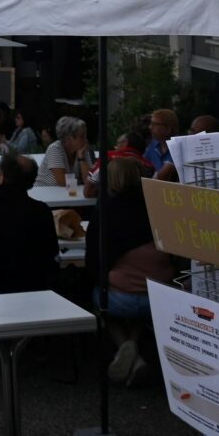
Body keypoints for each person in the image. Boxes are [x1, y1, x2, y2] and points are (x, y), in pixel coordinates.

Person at [86, 156, 176, 388]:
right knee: (140, 306)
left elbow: (93, 263)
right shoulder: (159, 208)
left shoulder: (105, 212)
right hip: (160, 295)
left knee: (100, 305)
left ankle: (126, 346)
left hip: (118, 298)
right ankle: (135, 345)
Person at [0, 152, 58, 293]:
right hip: (34, 288)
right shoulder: (41, 211)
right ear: (31, 182)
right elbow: (52, 251)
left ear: (1, 176)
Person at [84, 132, 153, 198]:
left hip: (111, 207)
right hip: (140, 208)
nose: (115, 148)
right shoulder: (149, 166)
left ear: (125, 143)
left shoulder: (108, 158)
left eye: (117, 144)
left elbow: (88, 191)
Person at [35, 115, 91, 187]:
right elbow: (63, 182)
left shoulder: (82, 150)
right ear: (69, 138)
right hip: (45, 194)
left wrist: (81, 158)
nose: (85, 140)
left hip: (68, 195)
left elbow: (89, 181)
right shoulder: (55, 149)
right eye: (82, 136)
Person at [146, 108, 179, 180]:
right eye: (151, 123)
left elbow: (162, 177)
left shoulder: (179, 146)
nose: (150, 127)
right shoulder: (153, 145)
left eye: (154, 124)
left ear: (168, 129)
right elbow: (142, 165)